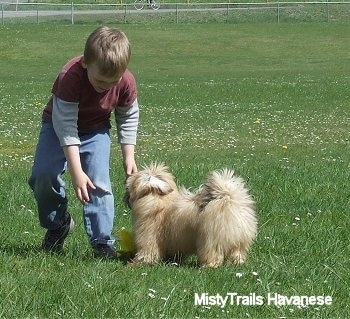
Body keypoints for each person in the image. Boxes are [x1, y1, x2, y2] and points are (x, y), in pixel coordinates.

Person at [28, 26, 139, 258]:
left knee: (98, 183)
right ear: (85, 63)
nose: (107, 87)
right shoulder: (70, 76)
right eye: (100, 81)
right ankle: (58, 224)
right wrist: (77, 171)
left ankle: (102, 241)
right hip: (58, 128)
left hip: (95, 130)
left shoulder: (126, 81)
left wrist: (129, 156)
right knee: (43, 174)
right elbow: (66, 126)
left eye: (113, 82)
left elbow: (127, 116)